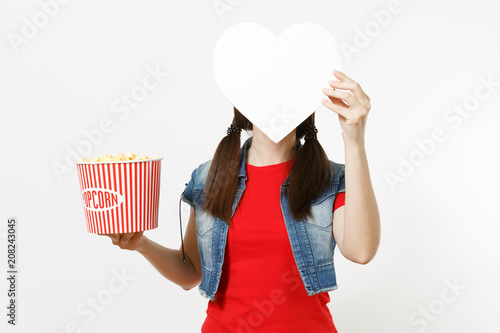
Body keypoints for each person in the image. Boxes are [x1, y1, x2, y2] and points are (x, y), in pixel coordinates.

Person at [103, 70, 380, 332]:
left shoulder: (329, 179)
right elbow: (190, 273)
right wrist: (142, 244)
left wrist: (354, 142)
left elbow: (361, 251)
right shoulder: (209, 178)